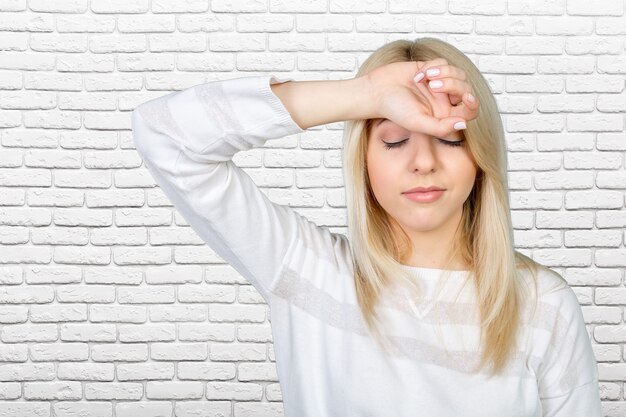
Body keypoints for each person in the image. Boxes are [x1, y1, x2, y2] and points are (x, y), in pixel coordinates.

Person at [131, 37, 602, 416]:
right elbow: (166, 133)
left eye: (448, 140)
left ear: (481, 160)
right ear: (364, 161)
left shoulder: (542, 303)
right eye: (395, 141)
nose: (424, 163)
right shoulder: (307, 271)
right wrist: (365, 94)